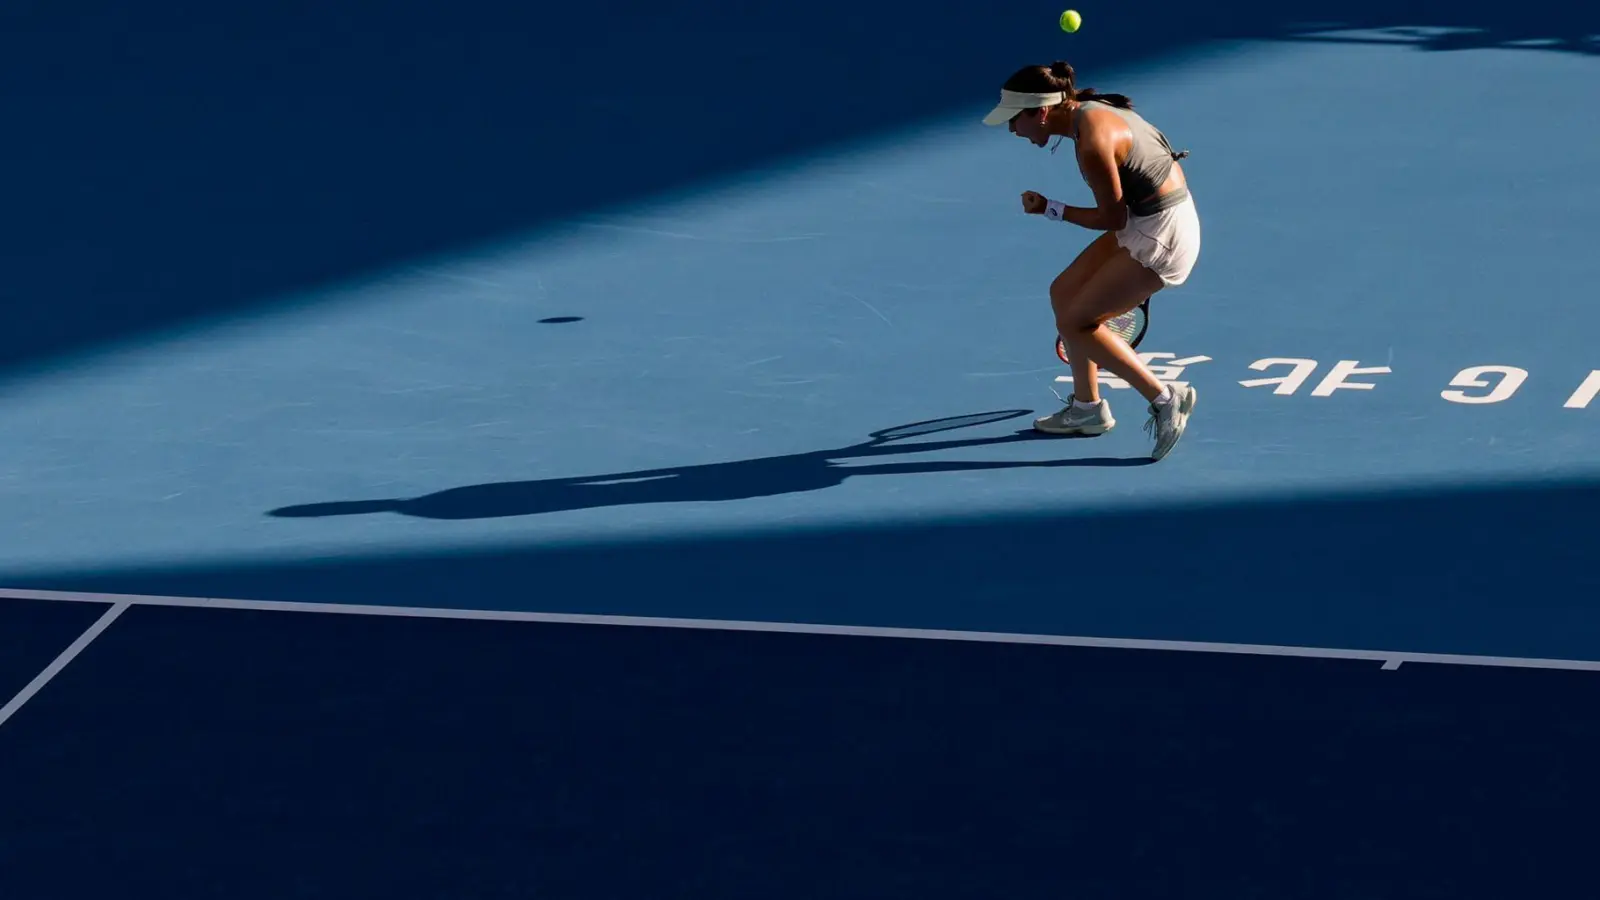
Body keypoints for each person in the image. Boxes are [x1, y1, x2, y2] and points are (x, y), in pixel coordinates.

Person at [982, 61, 1200, 461]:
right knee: (1063, 293)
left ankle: (1166, 397)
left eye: (1016, 120)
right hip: (1147, 218)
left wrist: (1051, 208)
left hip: (1161, 234)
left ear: (1041, 112)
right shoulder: (1088, 110)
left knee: (1076, 323)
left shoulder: (1092, 141)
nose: (1013, 130)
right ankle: (1087, 409)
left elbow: (1111, 218)